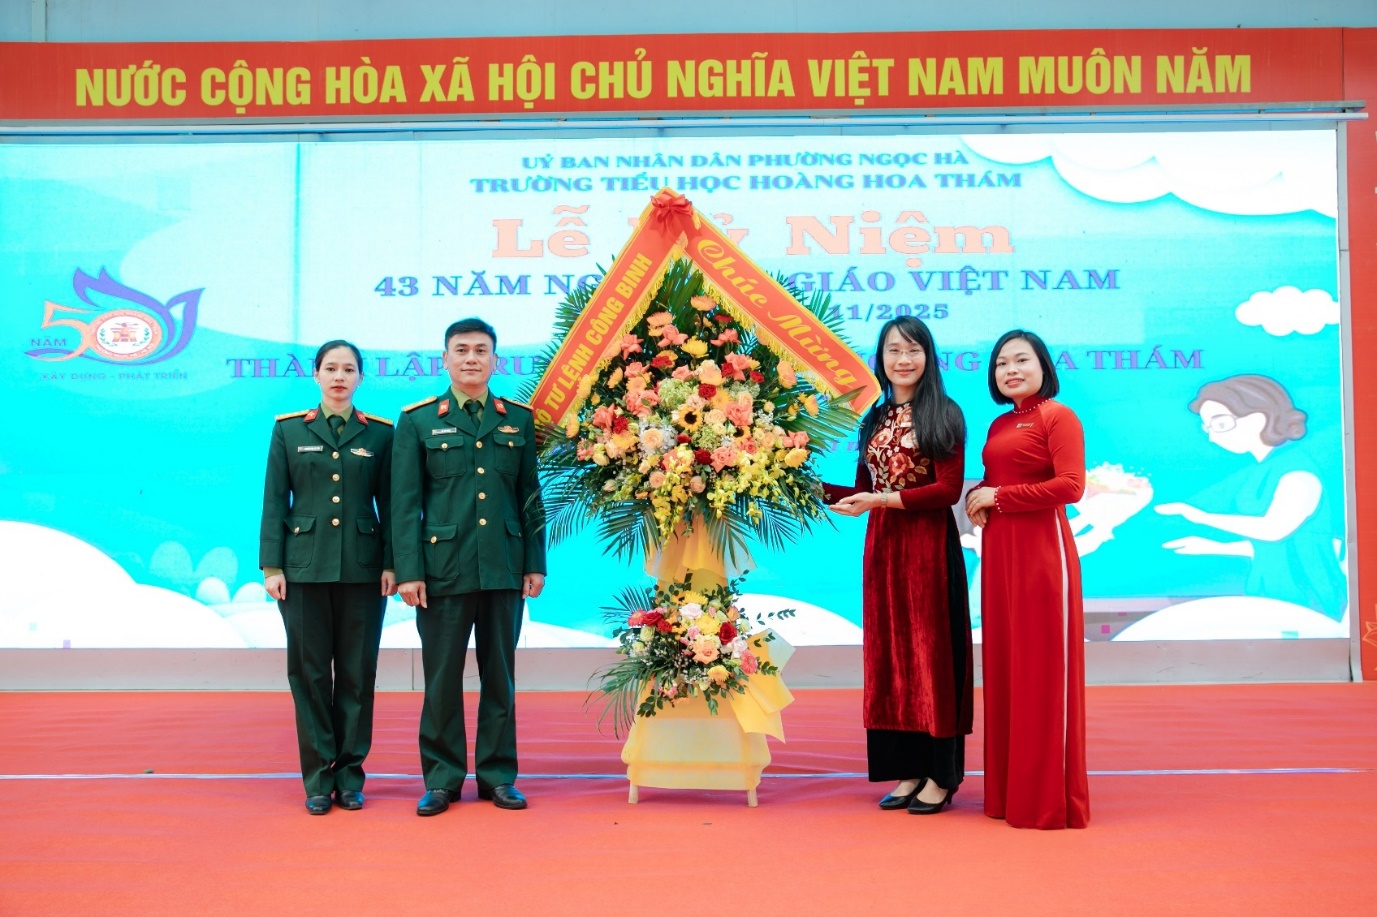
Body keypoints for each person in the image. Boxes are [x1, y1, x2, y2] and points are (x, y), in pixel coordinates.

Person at [392, 317, 546, 816]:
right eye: (461, 350)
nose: (471, 358)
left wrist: (535, 562)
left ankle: (499, 776)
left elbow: (530, 496)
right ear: (445, 359)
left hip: (502, 566)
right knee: (440, 679)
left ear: (495, 360)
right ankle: (441, 779)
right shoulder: (417, 420)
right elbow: (404, 503)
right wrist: (409, 570)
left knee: (499, 676)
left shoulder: (517, 420)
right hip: (441, 572)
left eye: (481, 350)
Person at [826, 316, 973, 815]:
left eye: (913, 350)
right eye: (893, 350)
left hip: (928, 544)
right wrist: (792, 479)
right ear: (881, 359)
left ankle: (941, 774)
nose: (903, 359)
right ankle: (907, 769)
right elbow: (857, 490)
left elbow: (948, 491)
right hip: (883, 546)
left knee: (930, 656)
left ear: (928, 358)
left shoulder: (944, 413)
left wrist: (880, 500)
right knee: (890, 657)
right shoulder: (875, 417)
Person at [259, 340, 396, 815]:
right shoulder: (289, 430)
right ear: (315, 375)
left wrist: (392, 564)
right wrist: (272, 566)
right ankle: (318, 779)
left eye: (349, 369)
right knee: (310, 675)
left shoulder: (380, 434)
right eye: (331, 368)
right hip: (302, 571)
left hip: (362, 570)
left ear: (361, 378)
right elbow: (276, 500)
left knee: (357, 675)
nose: (339, 376)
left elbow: (393, 506)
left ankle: (351, 776)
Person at [965, 329, 1089, 830]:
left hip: (1042, 553)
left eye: (1021, 360)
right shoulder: (998, 424)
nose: (1010, 369)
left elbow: (1072, 486)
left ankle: (1046, 800)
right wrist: (981, 494)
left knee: (1041, 671)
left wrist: (998, 498)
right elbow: (1002, 480)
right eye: (1001, 364)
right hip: (999, 554)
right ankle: (1009, 794)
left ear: (1043, 366)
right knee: (1006, 669)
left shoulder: (1058, 416)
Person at [1156, 374, 1346, 622]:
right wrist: (1216, 548)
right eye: (1207, 428)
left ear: (1258, 419)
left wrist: (1200, 517)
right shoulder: (1263, 469)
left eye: (1221, 424)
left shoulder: (1297, 471)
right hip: (1271, 588)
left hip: (1305, 594)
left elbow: (1275, 530)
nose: (1213, 436)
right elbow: (1278, 547)